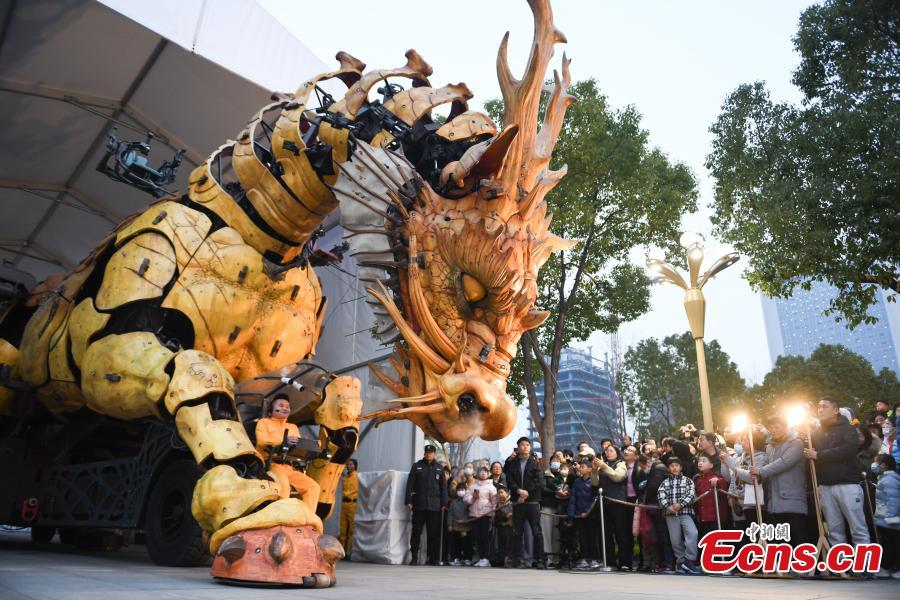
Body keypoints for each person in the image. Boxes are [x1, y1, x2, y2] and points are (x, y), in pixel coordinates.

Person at [806, 397, 871, 546]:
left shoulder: (849, 428)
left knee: (858, 529)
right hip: (825, 486)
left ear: (835, 410)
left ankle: (864, 567)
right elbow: (811, 454)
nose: (820, 409)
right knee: (834, 531)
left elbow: (848, 450)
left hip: (847, 484)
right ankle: (840, 566)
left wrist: (819, 455)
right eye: (819, 406)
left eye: (824, 406)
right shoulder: (815, 433)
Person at [745, 415, 809, 546]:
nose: (774, 430)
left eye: (777, 427)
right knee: (780, 538)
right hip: (774, 499)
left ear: (786, 427)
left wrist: (761, 471)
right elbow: (767, 465)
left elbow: (785, 462)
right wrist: (758, 474)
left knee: (798, 534)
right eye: (771, 428)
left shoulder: (796, 442)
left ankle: (803, 564)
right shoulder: (770, 446)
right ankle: (784, 564)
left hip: (792, 496)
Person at [255, 395, 320, 512]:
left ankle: (308, 521)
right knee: (284, 487)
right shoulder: (264, 422)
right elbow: (261, 441)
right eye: (281, 405)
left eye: (287, 406)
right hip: (271, 465)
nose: (285, 408)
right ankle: (282, 520)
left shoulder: (292, 427)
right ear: (271, 411)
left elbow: (298, 447)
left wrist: (312, 444)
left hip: (290, 467)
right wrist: (283, 441)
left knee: (313, 487)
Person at [504, 437, 547, 569]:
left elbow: (540, 482)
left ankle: (540, 560)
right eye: (522, 445)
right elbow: (510, 480)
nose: (525, 447)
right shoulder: (512, 463)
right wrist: (518, 491)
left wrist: (526, 492)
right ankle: (517, 559)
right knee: (517, 532)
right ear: (518, 447)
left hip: (532, 502)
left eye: (527, 445)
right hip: (518, 502)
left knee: (537, 532)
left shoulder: (535, 463)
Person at [405, 444, 448, 565]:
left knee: (433, 534)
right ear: (424, 453)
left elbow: (443, 488)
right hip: (419, 505)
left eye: (430, 452)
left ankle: (432, 558)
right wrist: (408, 500)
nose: (428, 454)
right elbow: (410, 484)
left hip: (434, 506)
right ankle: (414, 557)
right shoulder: (417, 466)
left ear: (434, 454)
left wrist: (444, 503)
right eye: (426, 452)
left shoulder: (439, 468)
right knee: (416, 532)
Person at [657, 457, 699, 574]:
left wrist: (681, 504)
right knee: (675, 540)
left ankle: (689, 560)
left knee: (692, 532)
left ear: (681, 467)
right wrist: (667, 506)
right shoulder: (664, 483)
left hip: (685, 512)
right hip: (671, 514)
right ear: (668, 468)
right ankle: (680, 562)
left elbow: (691, 494)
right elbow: (661, 495)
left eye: (677, 465)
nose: (674, 468)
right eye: (671, 466)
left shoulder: (688, 480)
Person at [594, 444, 631, 570]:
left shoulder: (621, 464)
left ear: (617, 453)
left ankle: (625, 562)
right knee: (606, 534)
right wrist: (594, 470)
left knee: (621, 533)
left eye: (611, 451)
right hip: (604, 503)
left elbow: (618, 477)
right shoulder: (602, 466)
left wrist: (603, 466)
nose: (608, 453)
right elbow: (594, 482)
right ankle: (610, 562)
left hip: (618, 503)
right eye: (606, 451)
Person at [568, 458, 600, 570]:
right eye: (580, 467)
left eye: (583, 467)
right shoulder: (577, 482)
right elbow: (573, 499)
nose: (580, 469)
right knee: (582, 538)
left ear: (590, 469)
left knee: (592, 537)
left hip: (591, 515)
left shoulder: (594, 481)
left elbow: (595, 499)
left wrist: (587, 512)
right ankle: (584, 559)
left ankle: (594, 559)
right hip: (579, 514)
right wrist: (571, 515)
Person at [873, 454, 900, 578]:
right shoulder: (885, 478)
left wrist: (891, 517)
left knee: (890, 544)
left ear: (883, 465)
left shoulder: (889, 480)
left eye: (876, 462)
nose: (874, 465)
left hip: (888, 520)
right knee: (889, 543)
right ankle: (889, 568)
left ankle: (890, 568)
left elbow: (893, 499)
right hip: (884, 518)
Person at [464, 466, 497, 567]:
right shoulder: (472, 486)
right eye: (481, 472)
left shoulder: (491, 487)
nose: (483, 473)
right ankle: (480, 557)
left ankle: (486, 558)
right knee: (476, 537)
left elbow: (495, 502)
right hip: (474, 515)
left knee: (485, 537)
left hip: (486, 515)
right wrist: (473, 498)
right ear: (477, 474)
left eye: (485, 472)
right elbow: (466, 499)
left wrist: (492, 513)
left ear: (488, 474)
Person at [693, 455, 729, 540]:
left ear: (711, 465)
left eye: (704, 461)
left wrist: (718, 482)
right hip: (702, 517)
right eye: (699, 461)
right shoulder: (696, 478)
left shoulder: (717, 476)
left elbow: (724, 488)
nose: (700, 463)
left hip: (716, 517)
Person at [447, 478, 473, 566]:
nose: (460, 491)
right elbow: (450, 513)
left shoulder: (468, 501)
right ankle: (456, 558)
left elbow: (471, 512)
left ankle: (467, 558)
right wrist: (450, 524)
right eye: (459, 490)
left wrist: (466, 519)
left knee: (467, 543)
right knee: (455, 543)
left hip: (466, 525)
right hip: (455, 525)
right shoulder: (454, 502)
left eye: (462, 490)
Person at [339, 458, 358, 558]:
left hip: (352, 504)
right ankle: (342, 553)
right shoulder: (345, 477)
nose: (349, 466)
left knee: (351, 530)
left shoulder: (357, 476)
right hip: (344, 504)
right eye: (348, 465)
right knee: (343, 529)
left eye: (351, 465)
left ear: (355, 466)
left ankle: (350, 553)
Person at [492, 485, 515, 567]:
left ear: (507, 493)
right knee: (500, 543)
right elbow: (497, 516)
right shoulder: (497, 505)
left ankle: (509, 559)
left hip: (511, 527)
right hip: (501, 526)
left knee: (509, 543)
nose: (500, 494)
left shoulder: (512, 503)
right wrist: (505, 516)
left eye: (502, 492)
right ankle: (501, 559)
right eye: (498, 493)